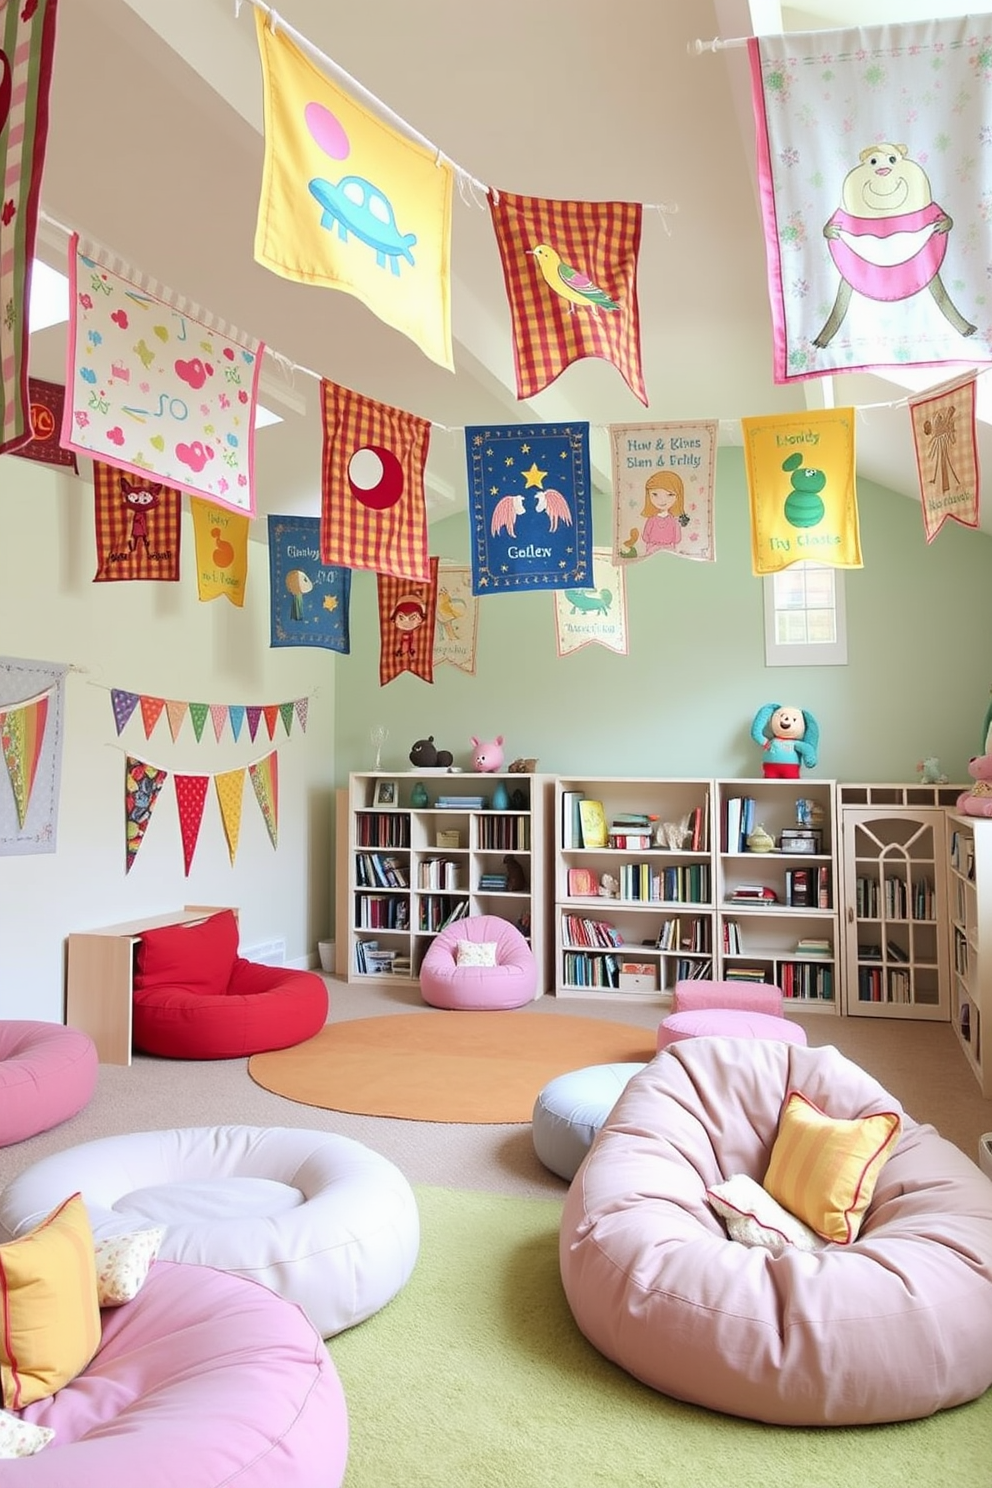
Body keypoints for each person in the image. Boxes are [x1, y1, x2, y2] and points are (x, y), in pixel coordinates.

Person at [640, 471, 688, 552]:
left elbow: (677, 539)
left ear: (677, 497)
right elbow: (645, 537)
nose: (662, 500)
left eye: (670, 495)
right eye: (655, 494)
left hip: (667, 550)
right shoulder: (652, 519)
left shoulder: (674, 521)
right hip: (653, 550)